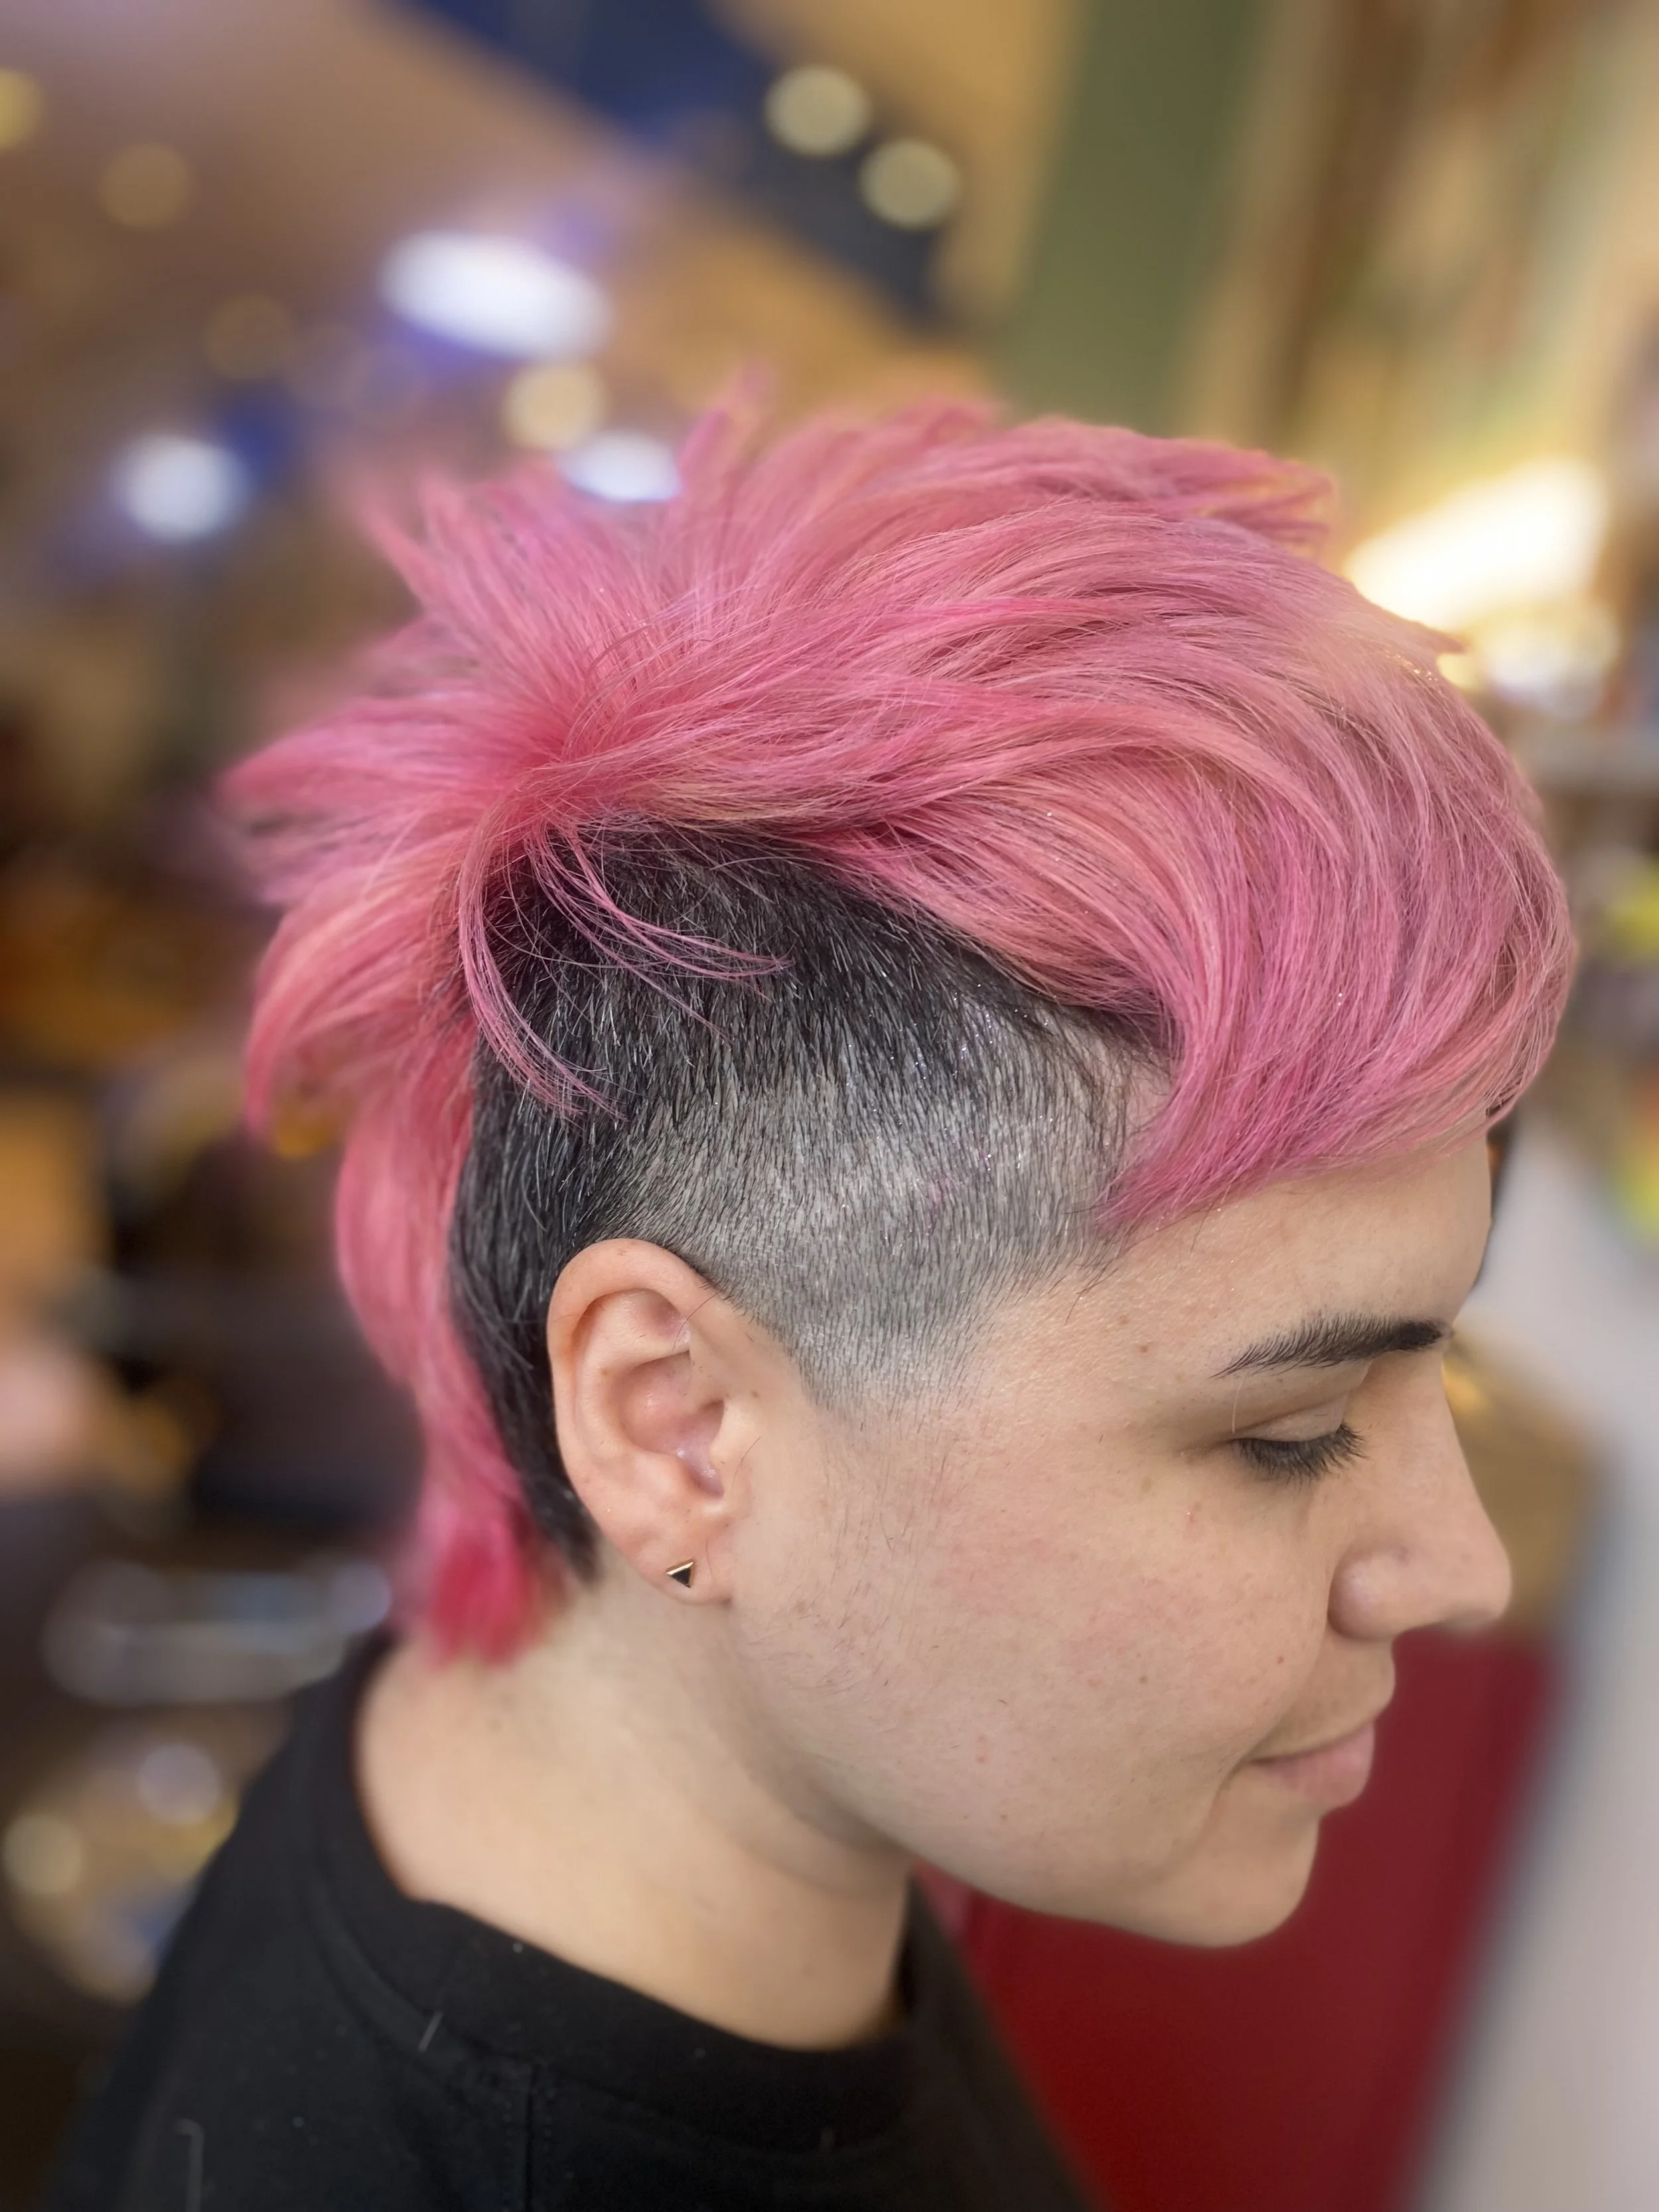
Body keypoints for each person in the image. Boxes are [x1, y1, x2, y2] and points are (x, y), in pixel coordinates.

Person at [47, 403, 1571, 2211]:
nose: (1454, 1566)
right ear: (672, 1421)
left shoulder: (510, 1757)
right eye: (1288, 1431)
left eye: (1434, 1367)